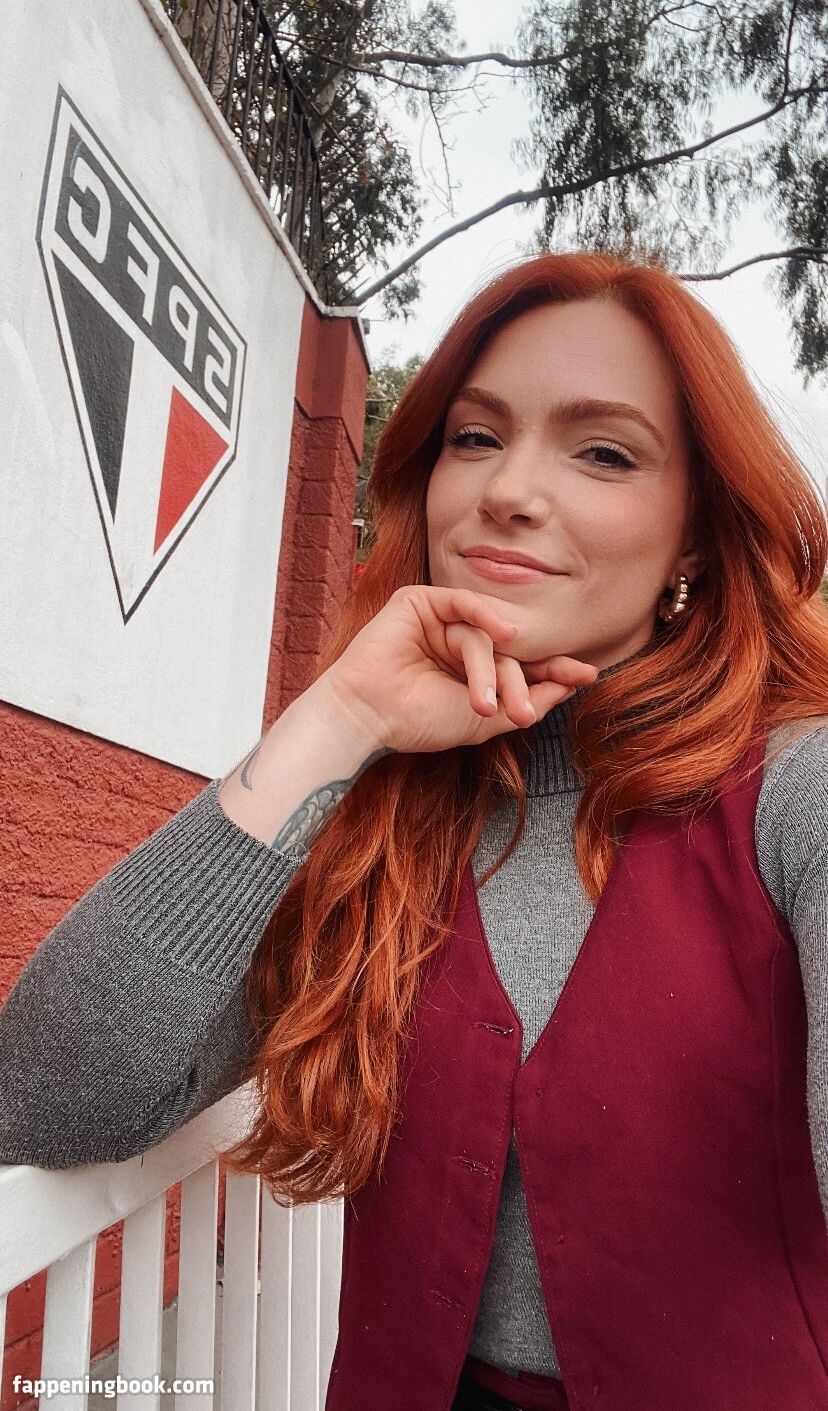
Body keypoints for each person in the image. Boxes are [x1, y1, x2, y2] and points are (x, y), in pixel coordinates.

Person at [2, 251, 828, 1411]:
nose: (509, 490)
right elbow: (51, 1094)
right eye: (475, 437)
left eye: (604, 451)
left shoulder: (796, 785)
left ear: (693, 535)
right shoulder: (378, 811)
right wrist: (341, 716)